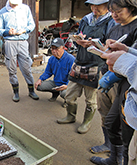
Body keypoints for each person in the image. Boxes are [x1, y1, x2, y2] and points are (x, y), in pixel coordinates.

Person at [56, 0, 116, 134]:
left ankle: (86, 122)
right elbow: (80, 36)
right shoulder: (86, 19)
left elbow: (110, 46)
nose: (94, 8)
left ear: (107, 5)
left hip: (96, 64)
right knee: (69, 95)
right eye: (92, 5)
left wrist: (93, 45)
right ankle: (70, 116)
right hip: (80, 61)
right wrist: (79, 40)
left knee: (91, 100)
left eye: (98, 5)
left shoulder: (110, 21)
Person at [90, 0, 137, 164]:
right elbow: (112, 51)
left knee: (127, 130)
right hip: (116, 79)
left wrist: (113, 71)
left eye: (118, 10)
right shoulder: (115, 26)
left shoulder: (136, 26)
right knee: (110, 121)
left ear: (131, 8)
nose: (114, 14)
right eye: (112, 11)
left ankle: (123, 160)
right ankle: (114, 158)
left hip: (129, 83)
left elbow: (131, 60)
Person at [99, 41, 137, 165]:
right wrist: (128, 51)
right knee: (112, 123)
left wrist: (123, 63)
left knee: (130, 143)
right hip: (127, 87)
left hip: (132, 87)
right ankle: (115, 159)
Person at [0, 0, 39, 102]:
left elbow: (31, 25)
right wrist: (7, 32)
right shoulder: (2, 12)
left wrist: (25, 30)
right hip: (9, 42)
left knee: (26, 68)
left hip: (23, 41)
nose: (15, 5)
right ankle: (16, 93)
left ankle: (31, 91)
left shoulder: (25, 9)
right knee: (11, 69)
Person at [34, 38, 75, 107]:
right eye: (52, 48)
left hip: (68, 84)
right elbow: (48, 72)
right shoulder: (51, 59)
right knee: (39, 86)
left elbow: (73, 76)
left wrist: (67, 85)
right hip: (56, 83)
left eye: (56, 48)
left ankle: (67, 100)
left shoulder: (71, 59)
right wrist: (40, 79)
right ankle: (55, 93)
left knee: (64, 93)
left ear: (63, 48)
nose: (53, 51)